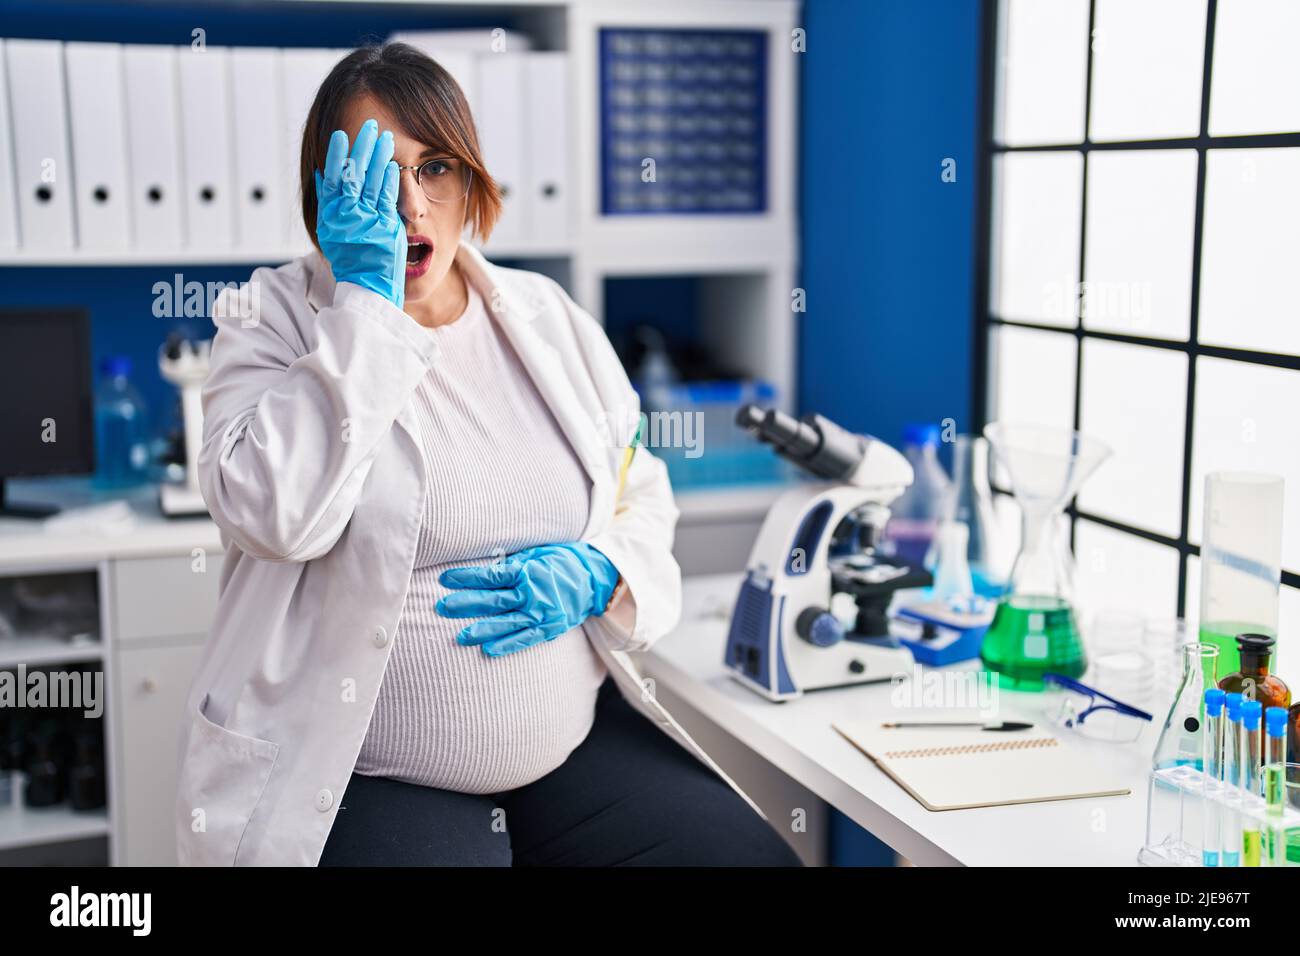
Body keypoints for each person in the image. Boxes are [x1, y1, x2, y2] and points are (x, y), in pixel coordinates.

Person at [174, 42, 800, 867]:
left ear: (469, 179)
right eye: (374, 176)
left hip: (569, 748)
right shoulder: (270, 318)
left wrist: (603, 569)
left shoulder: (546, 314)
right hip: (366, 769)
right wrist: (364, 305)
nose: (409, 206)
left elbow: (638, 490)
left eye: (434, 168)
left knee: (751, 858)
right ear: (325, 195)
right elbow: (274, 515)